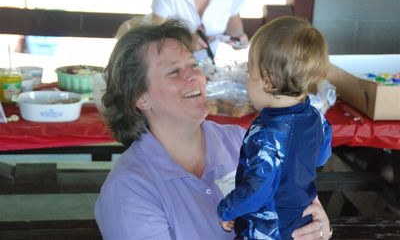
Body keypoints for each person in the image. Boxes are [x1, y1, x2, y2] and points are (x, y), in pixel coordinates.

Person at [94, 18, 332, 239]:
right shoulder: (129, 190)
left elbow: (303, 203)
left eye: (193, 65)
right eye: (175, 71)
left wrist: (319, 229)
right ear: (140, 97)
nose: (194, 77)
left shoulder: (240, 140)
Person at [217, 16, 333, 240]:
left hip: (270, 229)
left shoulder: (268, 135)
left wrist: (227, 209)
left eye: (250, 72)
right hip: (301, 217)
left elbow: (257, 189)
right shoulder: (315, 116)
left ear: (267, 81)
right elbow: (320, 157)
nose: (247, 79)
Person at [150, 0, 249, 61]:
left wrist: (238, 40)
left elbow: (233, 19)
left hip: (215, 64)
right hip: (174, 60)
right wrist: (185, 41)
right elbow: (156, 32)